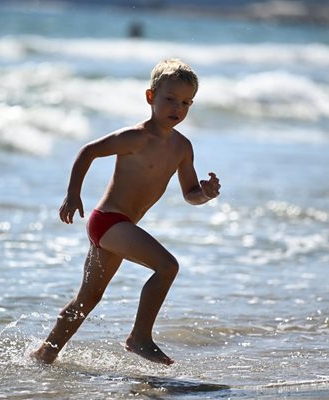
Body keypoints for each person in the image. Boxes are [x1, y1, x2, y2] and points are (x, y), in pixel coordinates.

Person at [32, 59, 220, 366]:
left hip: (119, 227)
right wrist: (72, 194)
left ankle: (44, 354)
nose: (177, 108)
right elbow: (88, 151)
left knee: (87, 299)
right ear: (150, 97)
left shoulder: (183, 147)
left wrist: (206, 194)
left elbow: (190, 194)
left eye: (186, 102)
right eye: (169, 99)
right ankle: (139, 338)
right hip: (108, 220)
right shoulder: (135, 137)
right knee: (167, 267)